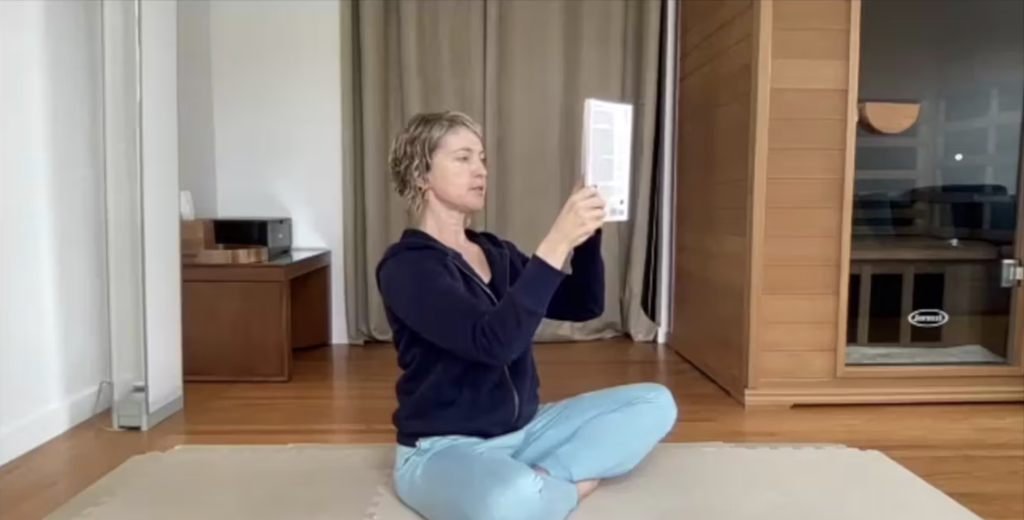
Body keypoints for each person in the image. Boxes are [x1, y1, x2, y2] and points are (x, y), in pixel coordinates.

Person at [375, 110, 678, 520]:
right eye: (463, 158)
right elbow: (493, 344)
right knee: (506, 502)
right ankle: (565, 486)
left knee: (656, 402)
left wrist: (586, 238)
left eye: (482, 158)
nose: (480, 170)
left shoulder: (497, 253)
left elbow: (583, 304)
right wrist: (556, 241)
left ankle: (545, 478)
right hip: (444, 447)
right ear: (420, 173)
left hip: (528, 430)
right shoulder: (407, 267)